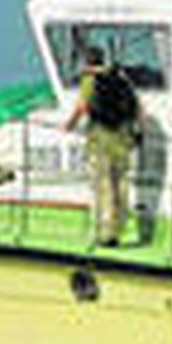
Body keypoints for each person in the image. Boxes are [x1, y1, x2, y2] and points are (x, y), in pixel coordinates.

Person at [64, 46, 141, 247]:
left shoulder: (90, 80)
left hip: (101, 137)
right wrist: (136, 132)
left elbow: (82, 107)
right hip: (122, 137)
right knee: (121, 185)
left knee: (103, 186)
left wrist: (69, 125)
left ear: (87, 61)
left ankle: (105, 234)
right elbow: (137, 108)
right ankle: (119, 230)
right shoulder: (122, 78)